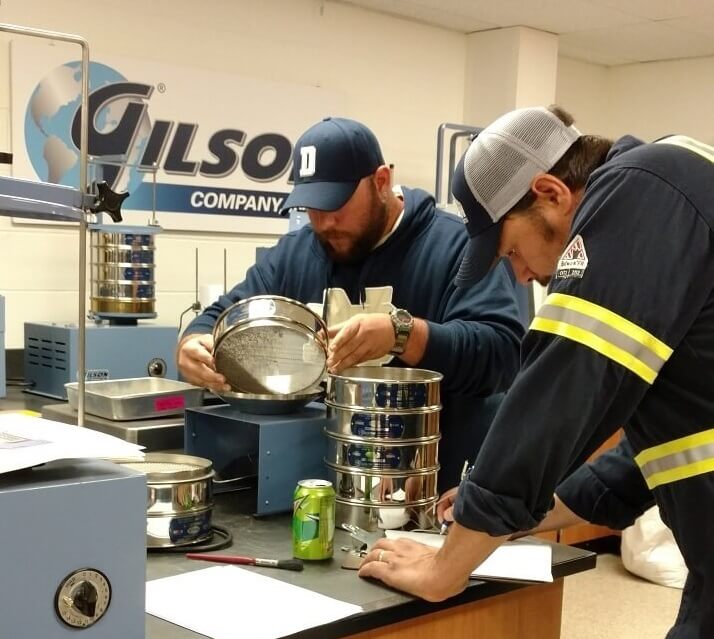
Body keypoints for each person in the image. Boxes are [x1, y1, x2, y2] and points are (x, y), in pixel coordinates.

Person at [359, 105, 714, 638]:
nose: (523, 274)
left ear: (551, 193)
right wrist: (524, 513)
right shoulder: (673, 193)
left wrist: (445, 568)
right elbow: (666, 446)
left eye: (513, 250)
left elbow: (560, 390)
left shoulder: (642, 189)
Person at [176, 116, 524, 492]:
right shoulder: (294, 255)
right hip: (319, 489)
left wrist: (401, 334)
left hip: (433, 496)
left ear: (381, 182)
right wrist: (193, 341)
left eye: (336, 205)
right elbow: (225, 314)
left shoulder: (455, 247)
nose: (324, 223)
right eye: (312, 208)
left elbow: (501, 353)